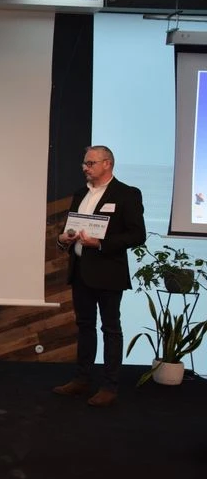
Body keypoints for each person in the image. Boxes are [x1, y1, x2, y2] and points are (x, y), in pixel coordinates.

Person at [53, 145, 146, 407]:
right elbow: (70, 229)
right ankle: (82, 379)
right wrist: (62, 239)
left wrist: (101, 243)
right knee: (84, 326)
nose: (85, 167)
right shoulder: (80, 193)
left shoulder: (126, 194)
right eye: (84, 163)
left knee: (110, 329)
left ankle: (109, 386)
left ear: (107, 164)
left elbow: (137, 235)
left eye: (90, 163)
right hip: (80, 271)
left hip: (108, 273)